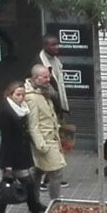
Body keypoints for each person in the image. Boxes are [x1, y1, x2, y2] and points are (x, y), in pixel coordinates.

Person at [0, 82, 44, 213]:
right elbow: (7, 140)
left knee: (8, 185)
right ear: (10, 95)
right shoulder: (5, 112)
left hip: (22, 155)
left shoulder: (22, 109)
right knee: (28, 185)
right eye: (17, 94)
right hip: (12, 157)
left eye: (23, 94)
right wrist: (8, 166)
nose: (21, 97)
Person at [24, 64, 67, 198]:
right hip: (45, 142)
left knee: (38, 170)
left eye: (49, 76)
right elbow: (33, 125)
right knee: (56, 171)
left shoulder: (45, 91)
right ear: (35, 78)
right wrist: (41, 145)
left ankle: (33, 200)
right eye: (45, 77)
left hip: (51, 138)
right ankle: (55, 201)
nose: (48, 80)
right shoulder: (32, 98)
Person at [37, 33, 69, 116]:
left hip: (57, 109)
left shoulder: (56, 61)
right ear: (45, 46)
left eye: (57, 44)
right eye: (53, 45)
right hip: (46, 110)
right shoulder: (39, 64)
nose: (57, 47)